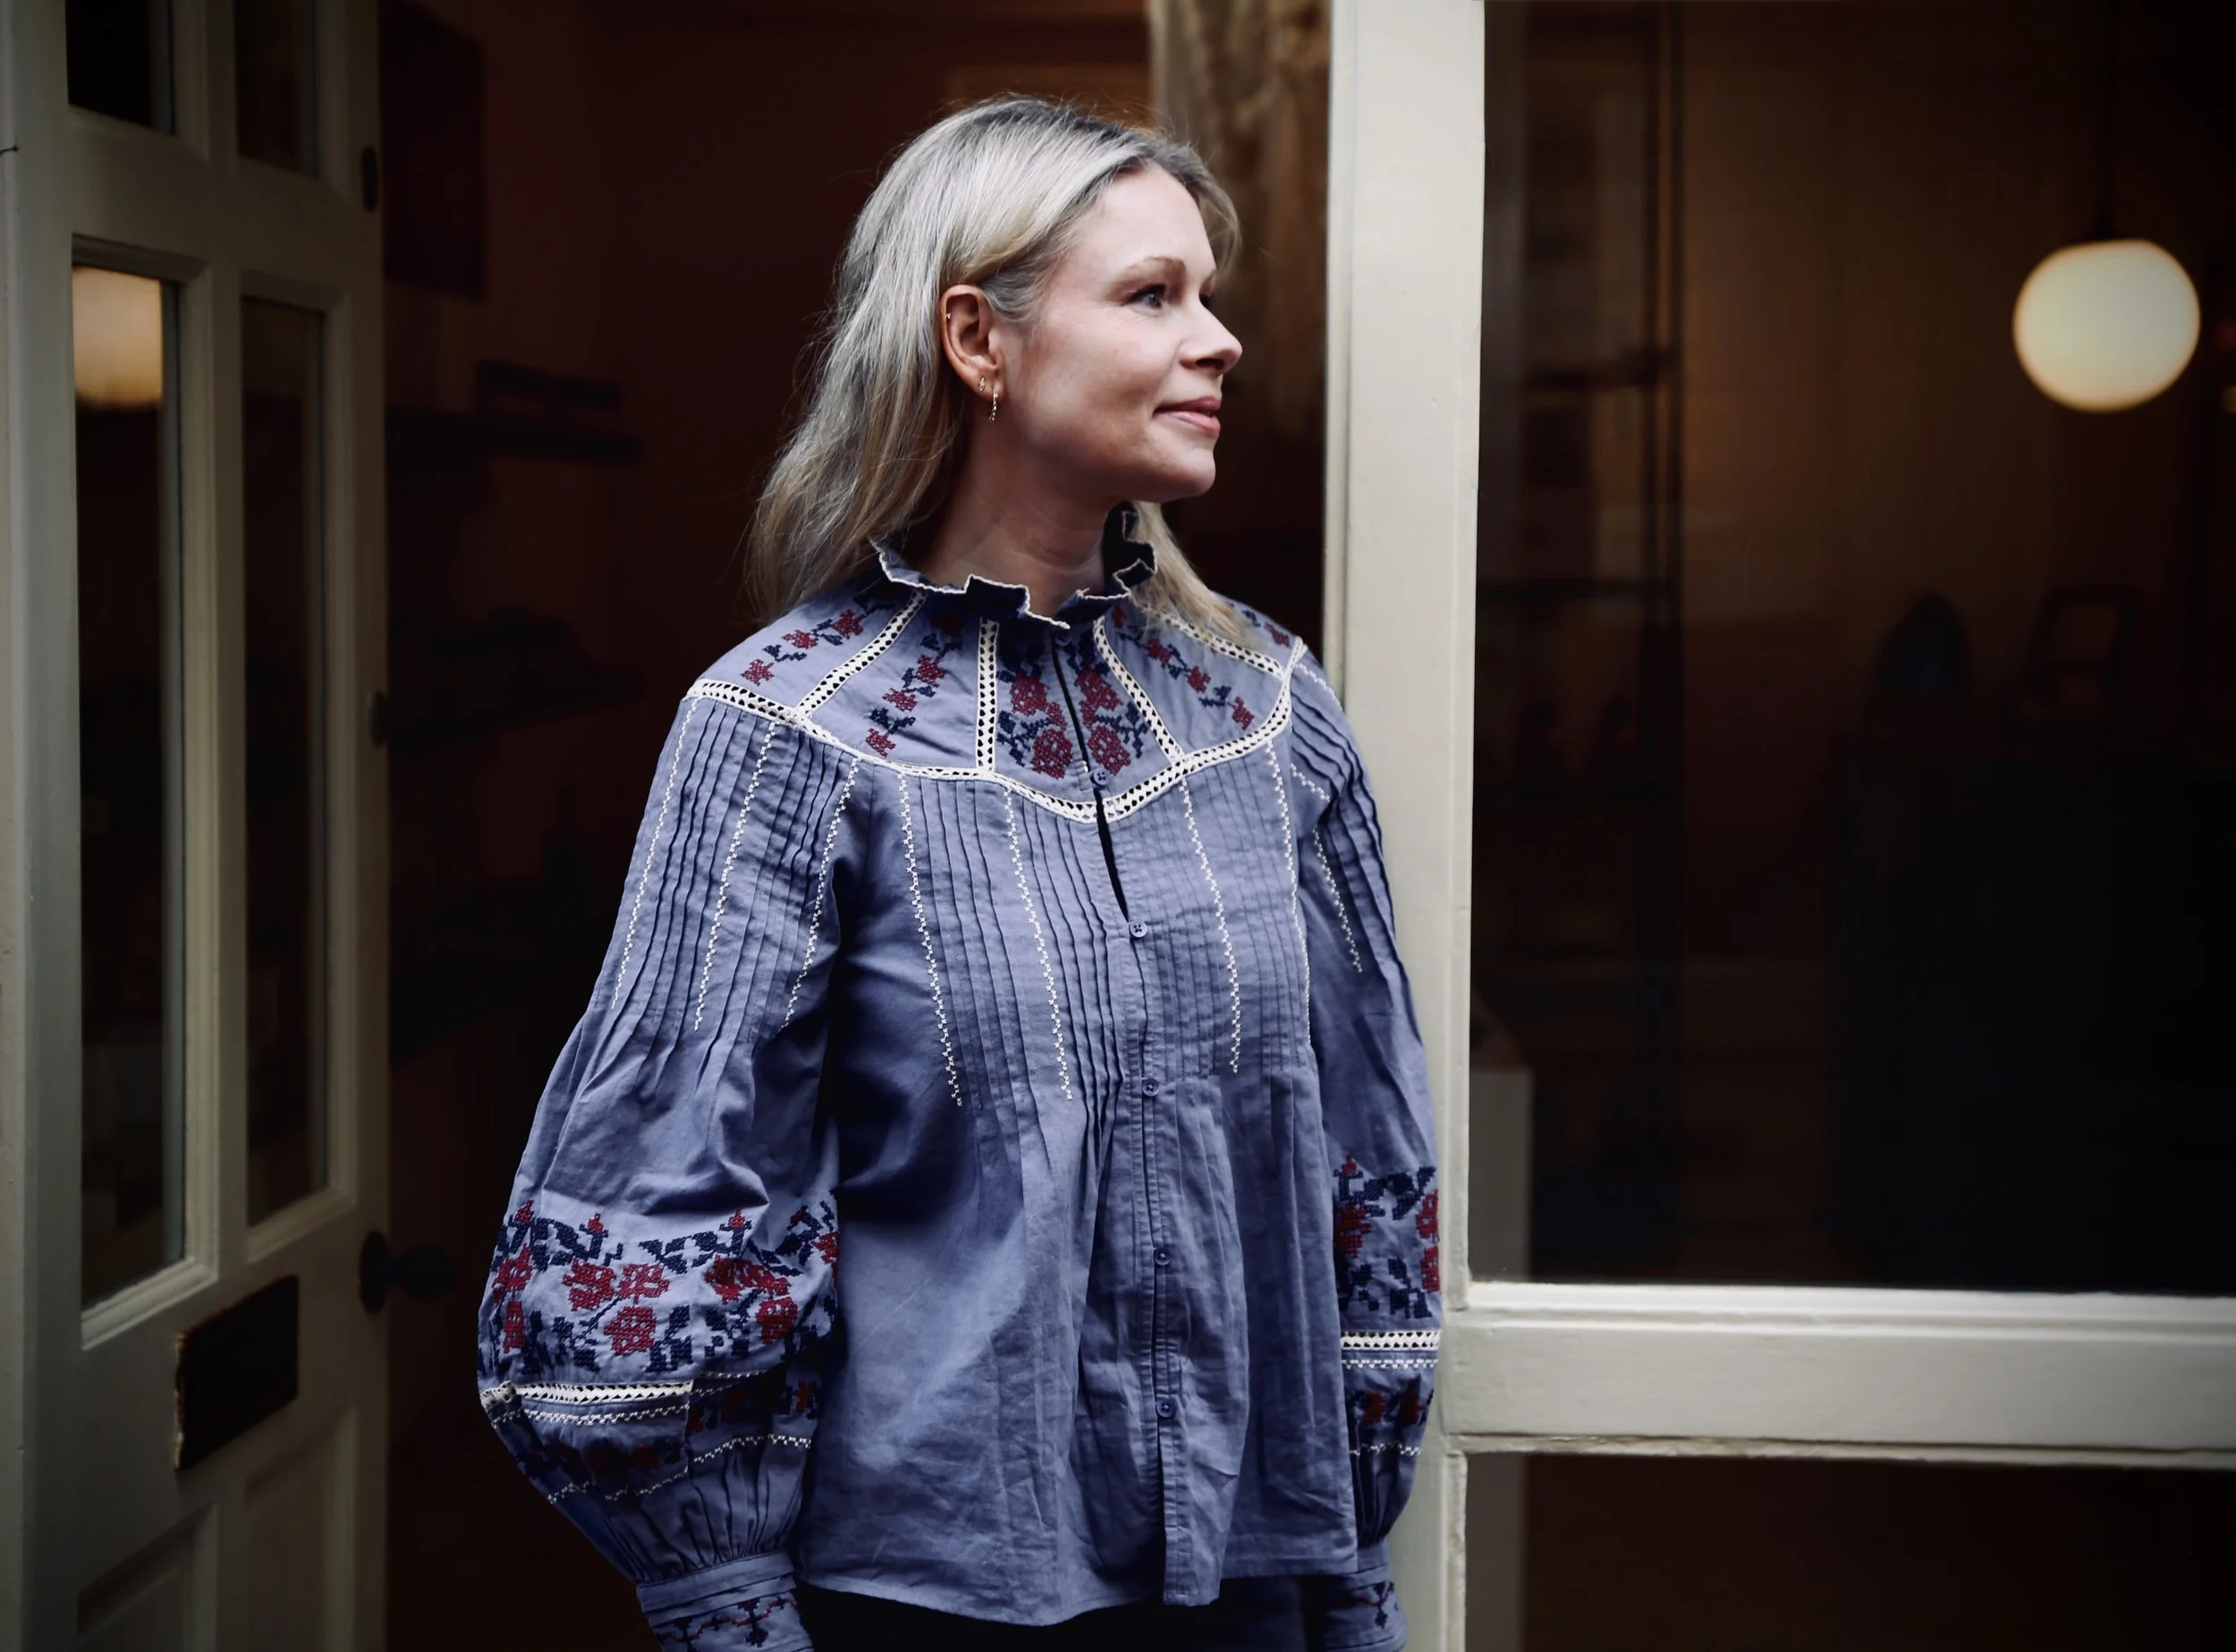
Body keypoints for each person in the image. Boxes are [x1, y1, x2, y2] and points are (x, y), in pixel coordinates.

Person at [474, 97, 1439, 1652]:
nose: (1223, 341)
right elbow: (672, 1201)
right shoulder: (780, 732)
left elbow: (1365, 1169)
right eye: (1153, 295)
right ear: (978, 339)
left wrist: (1345, 1571)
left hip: (1258, 1583)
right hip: (921, 1603)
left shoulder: (1269, 712)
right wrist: (724, 1600)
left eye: (1211, 293)